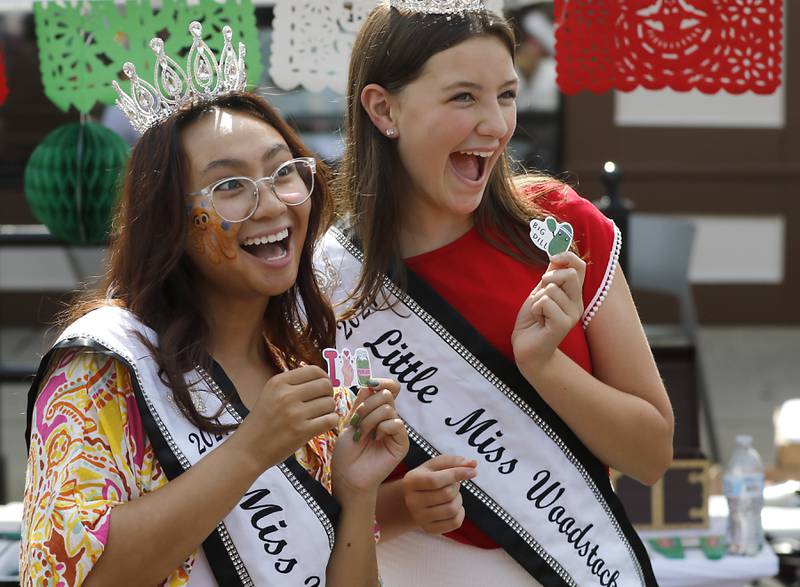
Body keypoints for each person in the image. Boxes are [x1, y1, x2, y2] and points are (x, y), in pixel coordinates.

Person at [21, 22, 408, 586]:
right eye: (230, 186)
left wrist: (356, 494)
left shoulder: (298, 372)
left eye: (284, 172)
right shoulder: (103, 370)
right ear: (169, 220)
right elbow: (73, 576)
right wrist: (251, 448)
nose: (272, 204)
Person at [316, 2, 673, 585]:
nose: (496, 125)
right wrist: (406, 505)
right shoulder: (330, 282)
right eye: (463, 97)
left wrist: (544, 365)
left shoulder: (558, 229)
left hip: (580, 561)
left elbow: (652, 454)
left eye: (506, 95)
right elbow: (307, 506)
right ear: (384, 109)